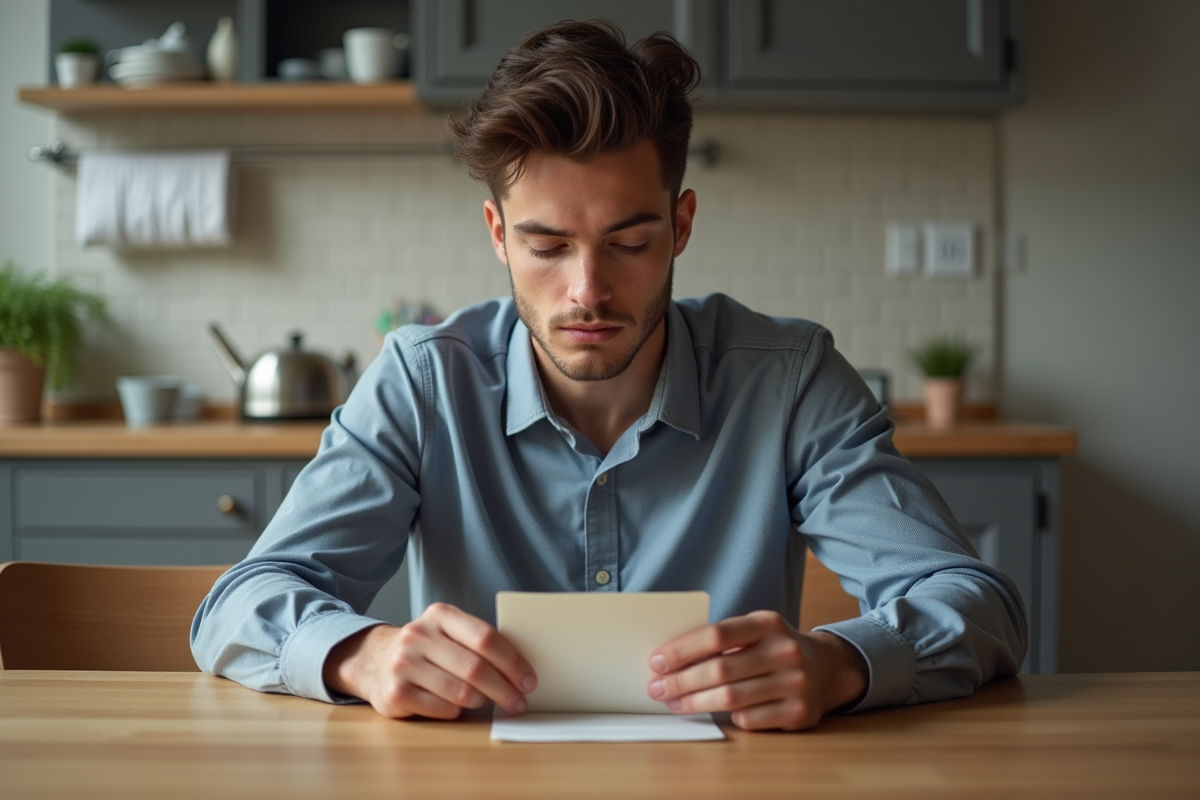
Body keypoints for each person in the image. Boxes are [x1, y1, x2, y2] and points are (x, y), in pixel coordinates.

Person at [191, 20, 1026, 732]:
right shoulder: (423, 380)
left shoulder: (790, 380)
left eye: (629, 243)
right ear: (497, 235)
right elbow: (242, 601)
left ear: (681, 223)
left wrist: (844, 662)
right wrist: (360, 653)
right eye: (547, 247)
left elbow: (978, 604)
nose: (587, 290)